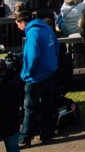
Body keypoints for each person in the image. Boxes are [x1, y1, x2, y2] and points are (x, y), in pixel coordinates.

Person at [15, 10, 59, 147]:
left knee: (30, 106)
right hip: (49, 71)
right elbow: (56, 46)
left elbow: (32, 56)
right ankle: (47, 134)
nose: (18, 27)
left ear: (23, 22)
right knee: (47, 104)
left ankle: (25, 137)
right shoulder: (46, 27)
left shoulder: (33, 33)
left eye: (18, 24)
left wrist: (26, 74)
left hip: (36, 76)